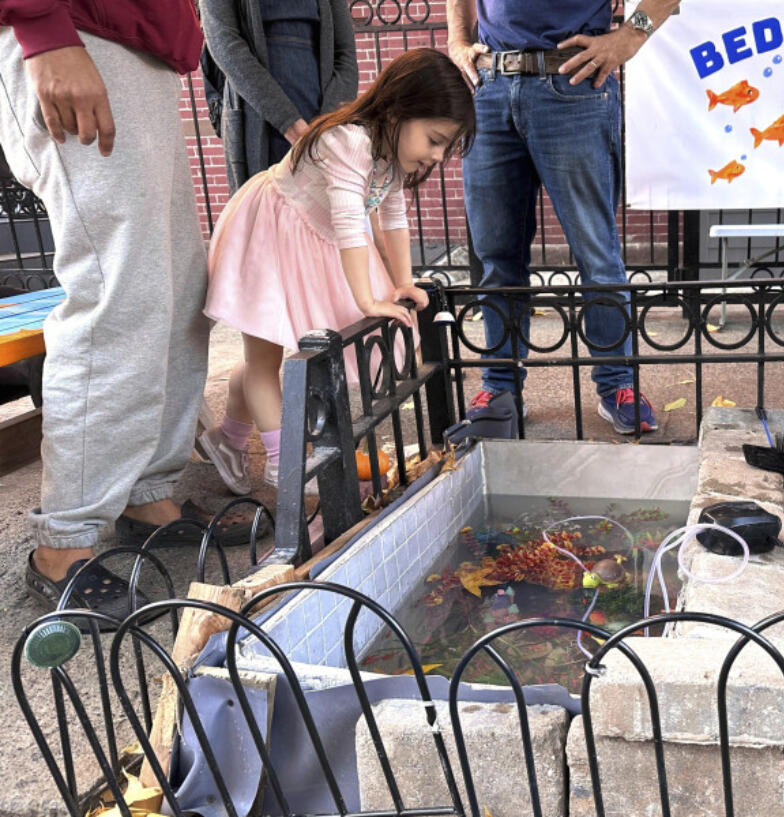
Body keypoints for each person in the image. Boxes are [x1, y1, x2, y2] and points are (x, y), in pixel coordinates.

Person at [0, 0, 252, 619]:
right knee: (121, 293)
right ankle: (64, 543)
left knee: (176, 291)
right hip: (72, 33)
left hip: (135, 40)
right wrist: (41, 29)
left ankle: (147, 495)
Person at [198, 49, 476, 494]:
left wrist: (403, 280)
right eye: (435, 139)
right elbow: (351, 225)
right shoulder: (347, 142)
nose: (439, 156)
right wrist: (367, 299)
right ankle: (284, 465)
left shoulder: (390, 154)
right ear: (399, 110)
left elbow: (393, 216)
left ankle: (227, 440)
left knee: (264, 362)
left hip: (314, 239)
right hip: (272, 232)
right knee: (265, 363)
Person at [446, 0, 679, 435]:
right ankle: (500, 391)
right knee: (496, 256)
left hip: (572, 84)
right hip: (490, 87)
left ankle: (617, 386)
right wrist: (457, 41)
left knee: (597, 253)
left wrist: (631, 36)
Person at [199, 0, 359, 191]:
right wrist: (289, 123)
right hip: (258, 119)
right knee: (266, 211)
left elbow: (346, 55)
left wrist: (327, 124)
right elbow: (224, 43)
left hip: (320, 116)